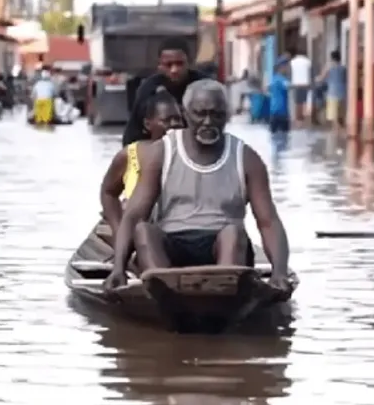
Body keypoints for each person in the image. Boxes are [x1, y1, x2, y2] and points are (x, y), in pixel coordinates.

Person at [103, 79, 291, 295]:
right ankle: (165, 293)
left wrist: (279, 272)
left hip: (223, 248)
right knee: (143, 230)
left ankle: (223, 294)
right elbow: (134, 216)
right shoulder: (161, 153)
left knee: (233, 233)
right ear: (185, 113)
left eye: (217, 115)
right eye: (200, 114)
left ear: (227, 115)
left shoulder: (247, 158)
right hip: (172, 245)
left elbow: (268, 222)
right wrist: (118, 268)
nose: (208, 122)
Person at [99, 90, 184, 241]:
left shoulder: (190, 155)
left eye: (178, 119)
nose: (174, 125)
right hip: (141, 236)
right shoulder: (129, 155)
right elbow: (108, 193)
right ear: (147, 124)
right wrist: (119, 230)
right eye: (167, 120)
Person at [121, 37, 209, 146]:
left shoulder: (204, 86)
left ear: (189, 63)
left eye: (179, 63)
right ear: (160, 66)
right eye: (169, 65)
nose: (174, 69)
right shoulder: (148, 88)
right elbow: (133, 131)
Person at [315, 50, 347, 128]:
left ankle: (337, 134)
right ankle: (341, 134)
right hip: (343, 94)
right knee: (341, 117)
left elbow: (321, 78)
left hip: (332, 94)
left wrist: (315, 79)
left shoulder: (328, 68)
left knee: (334, 118)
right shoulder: (343, 68)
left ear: (332, 58)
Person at [268, 59, 291, 133]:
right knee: (285, 137)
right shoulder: (282, 80)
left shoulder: (273, 79)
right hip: (282, 112)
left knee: (273, 137)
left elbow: (268, 88)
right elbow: (289, 86)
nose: (288, 69)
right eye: (287, 67)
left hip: (273, 112)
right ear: (282, 67)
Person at [289, 49, 312, 123]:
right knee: (304, 101)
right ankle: (303, 117)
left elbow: (290, 73)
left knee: (297, 102)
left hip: (296, 84)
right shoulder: (308, 61)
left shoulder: (292, 62)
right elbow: (310, 72)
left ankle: (297, 118)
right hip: (305, 84)